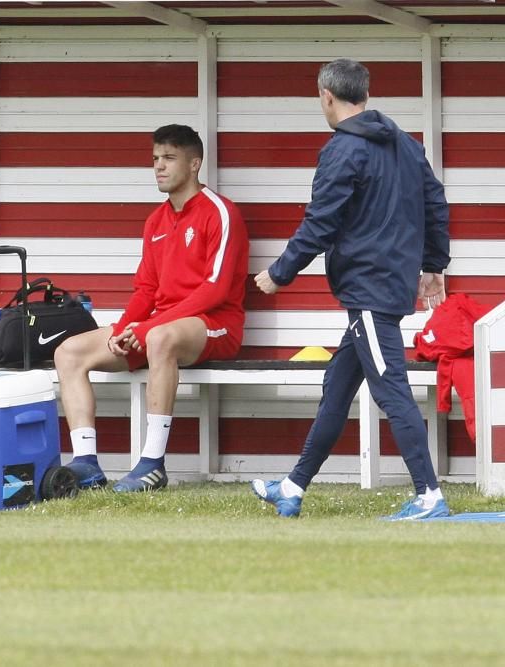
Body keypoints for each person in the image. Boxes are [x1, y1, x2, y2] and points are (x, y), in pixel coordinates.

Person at [250, 58, 450, 521]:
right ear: (365, 93)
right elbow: (435, 202)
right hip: (386, 286)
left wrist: (280, 272)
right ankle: (293, 487)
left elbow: (321, 223)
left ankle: (429, 496)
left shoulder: (342, 149)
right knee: (338, 388)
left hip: (369, 291)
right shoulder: (406, 144)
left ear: (326, 96)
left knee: (392, 390)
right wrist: (434, 263)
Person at [54, 124, 249, 493]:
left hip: (214, 325)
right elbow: (147, 289)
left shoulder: (220, 213)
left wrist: (145, 329)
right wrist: (125, 329)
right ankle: (86, 463)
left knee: (159, 337)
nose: (159, 166)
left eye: (169, 158)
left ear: (194, 164)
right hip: (159, 326)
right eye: (155, 159)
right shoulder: (155, 220)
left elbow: (215, 290)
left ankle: (152, 464)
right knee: (69, 352)